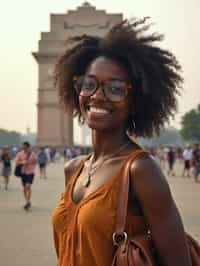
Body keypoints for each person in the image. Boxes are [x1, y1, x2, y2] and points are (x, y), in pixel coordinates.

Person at [52, 19, 192, 266]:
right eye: (89, 84)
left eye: (115, 89)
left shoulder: (141, 171)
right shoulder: (74, 169)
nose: (97, 96)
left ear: (136, 101)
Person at [15, 142, 37, 210]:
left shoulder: (32, 154)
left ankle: (27, 202)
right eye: (23, 147)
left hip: (30, 172)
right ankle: (27, 201)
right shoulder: (20, 153)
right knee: (25, 188)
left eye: (25, 147)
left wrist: (30, 162)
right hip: (23, 172)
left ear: (28, 147)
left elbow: (35, 161)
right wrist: (22, 162)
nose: (24, 148)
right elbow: (16, 161)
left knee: (28, 186)